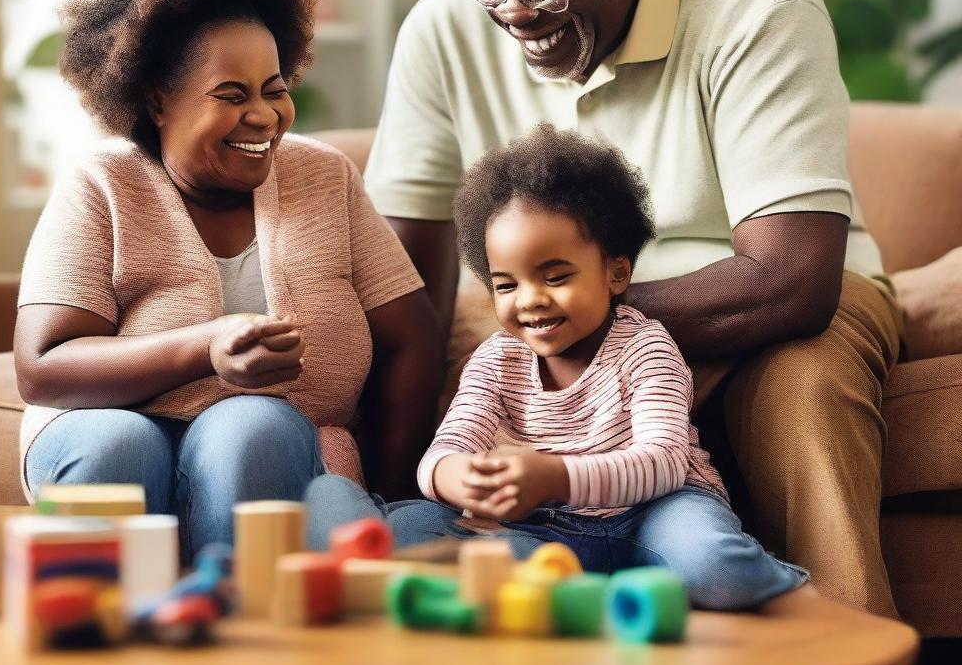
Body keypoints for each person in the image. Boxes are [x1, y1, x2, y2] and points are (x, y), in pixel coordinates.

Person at [363, 0, 902, 616]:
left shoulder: (755, 6)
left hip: (767, 314)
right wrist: (396, 479)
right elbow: (400, 293)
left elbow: (792, 279)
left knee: (807, 391)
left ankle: (849, 645)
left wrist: (579, 323)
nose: (515, 9)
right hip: (551, 315)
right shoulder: (443, 28)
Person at [15, 0, 442, 563]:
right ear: (157, 98)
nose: (264, 116)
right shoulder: (100, 186)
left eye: (274, 89)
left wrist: (388, 491)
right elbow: (44, 369)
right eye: (232, 94)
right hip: (103, 425)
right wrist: (207, 347)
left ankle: (232, 633)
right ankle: (97, 642)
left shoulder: (325, 179)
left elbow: (410, 338)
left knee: (258, 425)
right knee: (118, 448)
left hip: (270, 439)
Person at [305, 125, 809, 610]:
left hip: (657, 514)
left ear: (616, 272)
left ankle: (781, 585)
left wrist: (555, 476)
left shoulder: (645, 347)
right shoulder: (497, 360)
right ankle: (590, 595)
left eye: (555, 276)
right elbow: (445, 451)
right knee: (415, 533)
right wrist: (460, 477)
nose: (531, 300)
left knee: (717, 566)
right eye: (507, 285)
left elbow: (664, 462)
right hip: (546, 531)